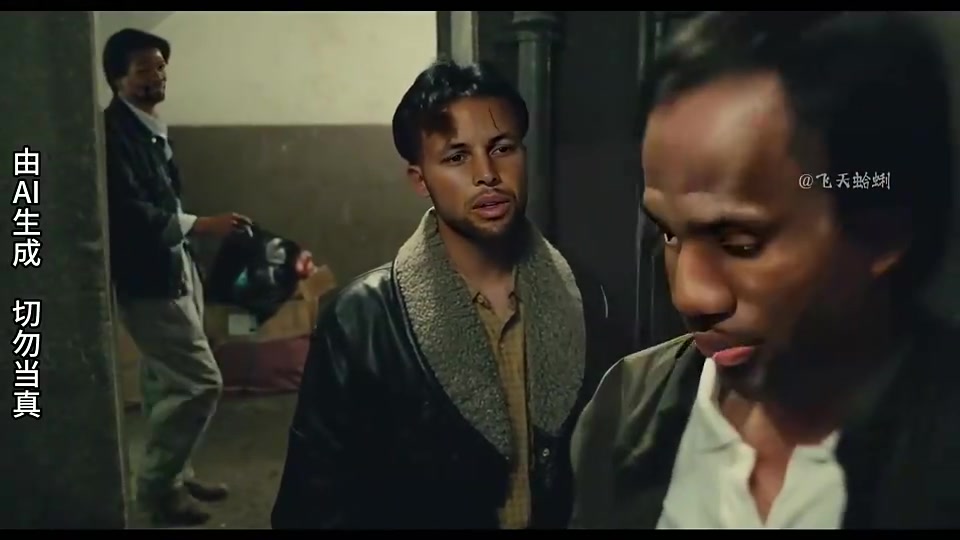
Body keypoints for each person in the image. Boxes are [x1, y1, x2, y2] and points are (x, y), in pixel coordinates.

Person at [569, 11, 960, 529]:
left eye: (741, 243)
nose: (689, 295)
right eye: (668, 234)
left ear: (882, 230)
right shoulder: (626, 407)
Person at [271, 59, 627, 529]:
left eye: (502, 148)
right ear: (420, 179)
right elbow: (311, 507)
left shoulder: (585, 295)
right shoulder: (361, 320)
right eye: (457, 157)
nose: (487, 173)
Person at [102, 29, 251, 526]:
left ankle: (175, 474)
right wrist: (201, 225)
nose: (157, 76)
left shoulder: (145, 127)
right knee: (199, 382)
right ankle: (157, 486)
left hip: (174, 265)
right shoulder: (113, 134)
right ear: (117, 79)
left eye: (161, 66)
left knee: (163, 381)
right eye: (144, 69)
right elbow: (128, 214)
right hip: (149, 277)